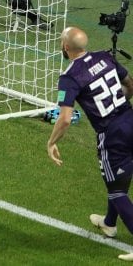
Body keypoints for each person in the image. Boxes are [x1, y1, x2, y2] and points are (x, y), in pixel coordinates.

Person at [47, 27, 133, 262]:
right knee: (119, 178)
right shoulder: (105, 57)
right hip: (130, 119)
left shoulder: (70, 76)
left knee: (116, 190)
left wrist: (51, 142)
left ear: (65, 47)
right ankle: (109, 224)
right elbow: (129, 84)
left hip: (111, 134)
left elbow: (65, 118)